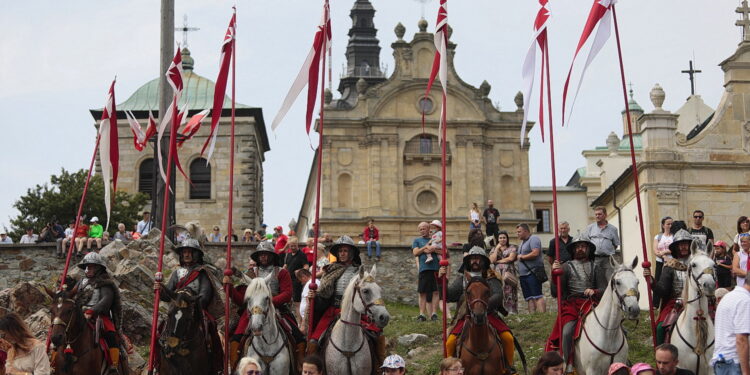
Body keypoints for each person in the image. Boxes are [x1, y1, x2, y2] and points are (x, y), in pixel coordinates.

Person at [307, 236, 386, 364]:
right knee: (314, 341)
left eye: (345, 251)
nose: (342, 254)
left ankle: (379, 365)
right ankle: (312, 367)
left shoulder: (359, 272)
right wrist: (314, 297)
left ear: (351, 253)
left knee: (378, 335)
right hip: (333, 311)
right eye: (340, 251)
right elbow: (324, 295)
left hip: (355, 312)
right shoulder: (330, 270)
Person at [224, 241, 305, 367]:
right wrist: (229, 289)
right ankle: (235, 366)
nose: (264, 257)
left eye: (266, 254)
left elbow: (287, 293)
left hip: (278, 310)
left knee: (298, 337)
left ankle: (299, 365)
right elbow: (242, 300)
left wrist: (268, 302)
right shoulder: (249, 273)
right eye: (261, 254)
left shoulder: (282, 272)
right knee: (236, 338)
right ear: (257, 257)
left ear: (272, 256)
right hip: (253, 311)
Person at [441, 246, 516, 369]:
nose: (475, 261)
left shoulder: (491, 277)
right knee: (450, 342)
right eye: (472, 259)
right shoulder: (463, 279)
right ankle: (450, 369)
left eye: (478, 258)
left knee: (507, 338)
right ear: (468, 261)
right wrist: (442, 281)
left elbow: (498, 295)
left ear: (483, 261)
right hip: (466, 316)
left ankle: (508, 368)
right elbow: (448, 296)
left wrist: (481, 306)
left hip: (489, 314)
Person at [156, 238, 223, 372]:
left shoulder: (203, 272)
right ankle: (157, 363)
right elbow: (166, 296)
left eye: (189, 252)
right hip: (176, 308)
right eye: (184, 252)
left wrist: (192, 302)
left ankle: (217, 363)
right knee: (161, 328)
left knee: (211, 326)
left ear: (196, 254)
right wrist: (159, 288)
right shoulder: (177, 273)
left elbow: (204, 295)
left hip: (195, 308)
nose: (186, 255)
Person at [545, 236, 607, 370]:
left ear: (588, 249)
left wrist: (595, 291)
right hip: (572, 305)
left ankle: (620, 356)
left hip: (591, 303)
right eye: (577, 247)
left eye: (583, 246)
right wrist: (555, 273)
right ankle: (567, 363)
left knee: (615, 327)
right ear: (573, 250)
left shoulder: (596, 267)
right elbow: (556, 292)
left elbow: (605, 290)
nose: (580, 249)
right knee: (567, 332)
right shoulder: (566, 267)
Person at [72, 252, 124, 373]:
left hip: (99, 316)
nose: (88, 269)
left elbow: (105, 301)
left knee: (111, 335)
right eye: (87, 266)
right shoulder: (81, 283)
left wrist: (91, 311)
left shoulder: (105, 283)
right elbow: (72, 296)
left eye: (92, 266)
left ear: (99, 268)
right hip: (80, 315)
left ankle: (114, 365)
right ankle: (54, 361)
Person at [645, 229, 693, 345]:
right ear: (676, 247)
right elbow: (662, 291)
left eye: (685, 244)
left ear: (690, 245)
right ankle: (662, 354)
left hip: (694, 301)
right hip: (675, 303)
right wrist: (651, 281)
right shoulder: (670, 266)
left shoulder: (697, 263)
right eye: (680, 244)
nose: (683, 247)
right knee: (660, 328)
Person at [711, 276, 750, 374]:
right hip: (734, 363)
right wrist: (746, 372)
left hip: (722, 361)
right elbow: (741, 340)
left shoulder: (729, 296)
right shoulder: (745, 300)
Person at [583, 206, 621, 282]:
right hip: (594, 258)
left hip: (608, 259)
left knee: (610, 280)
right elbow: (586, 243)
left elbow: (615, 244)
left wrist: (607, 250)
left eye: (599, 214)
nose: (597, 216)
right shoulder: (590, 228)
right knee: (594, 280)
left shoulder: (613, 229)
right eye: (596, 214)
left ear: (605, 215)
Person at [412, 222, 440, 321]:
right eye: (420, 229)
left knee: (436, 291)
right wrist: (425, 248)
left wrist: (433, 250)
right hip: (424, 268)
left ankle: (434, 314)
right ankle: (422, 314)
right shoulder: (417, 241)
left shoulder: (436, 239)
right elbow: (415, 252)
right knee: (422, 292)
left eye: (424, 228)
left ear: (429, 229)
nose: (422, 231)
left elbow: (444, 252)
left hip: (436, 268)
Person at [516, 223, 546, 313]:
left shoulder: (534, 239)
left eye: (519, 232)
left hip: (532, 273)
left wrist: (522, 257)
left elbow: (535, 253)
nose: (517, 234)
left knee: (537, 296)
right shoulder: (522, 243)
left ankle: (542, 318)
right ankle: (532, 317)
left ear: (525, 231)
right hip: (523, 275)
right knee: (529, 298)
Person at [489, 230, 519, 314]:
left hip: (508, 272)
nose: (502, 239)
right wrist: (496, 249)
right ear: (498, 239)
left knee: (509, 291)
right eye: (500, 238)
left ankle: (511, 311)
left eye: (504, 238)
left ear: (507, 239)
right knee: (498, 291)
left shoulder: (512, 247)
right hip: (497, 274)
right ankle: (499, 311)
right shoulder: (494, 249)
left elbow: (511, 258)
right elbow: (492, 260)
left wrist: (498, 262)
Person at [547, 221, 574, 298]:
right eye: (561, 228)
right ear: (558, 230)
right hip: (560, 268)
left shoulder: (573, 240)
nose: (563, 230)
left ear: (568, 229)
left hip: (572, 268)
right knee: (560, 290)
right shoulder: (553, 242)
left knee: (571, 289)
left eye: (564, 228)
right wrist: (555, 265)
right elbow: (550, 257)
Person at [284, 237, 310, 313]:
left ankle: (299, 321)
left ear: (297, 245)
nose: (292, 247)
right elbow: (286, 265)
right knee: (288, 301)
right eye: (291, 246)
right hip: (288, 280)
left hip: (297, 281)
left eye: (294, 246)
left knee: (297, 302)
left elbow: (306, 266)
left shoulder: (301, 254)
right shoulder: (288, 255)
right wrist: (283, 268)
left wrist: (300, 271)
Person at [653, 216, 674, 307]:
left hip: (671, 261)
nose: (670, 226)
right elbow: (655, 250)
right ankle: (656, 303)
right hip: (660, 261)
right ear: (663, 225)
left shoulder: (674, 236)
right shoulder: (658, 236)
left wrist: (665, 252)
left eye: (671, 224)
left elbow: (675, 249)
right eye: (668, 224)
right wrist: (663, 256)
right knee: (657, 280)